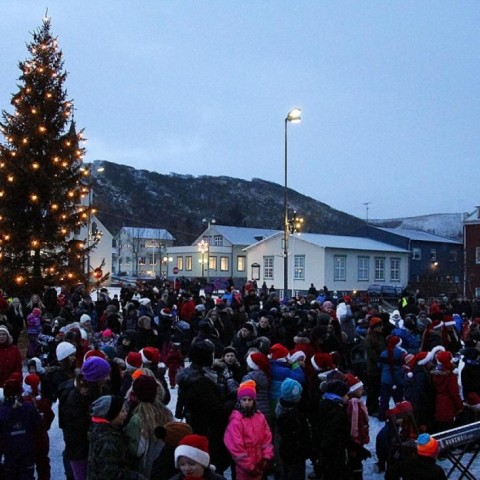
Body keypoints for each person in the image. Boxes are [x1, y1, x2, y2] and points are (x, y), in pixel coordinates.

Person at [58, 356, 111, 480]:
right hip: (80, 453)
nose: (108, 379)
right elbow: (79, 431)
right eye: (105, 376)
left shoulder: (91, 389)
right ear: (95, 378)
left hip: (86, 450)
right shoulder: (73, 400)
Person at [125, 374, 174, 478]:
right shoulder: (166, 413)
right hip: (165, 465)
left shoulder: (138, 418)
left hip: (146, 468)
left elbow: (137, 450)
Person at [224, 380, 274, 480]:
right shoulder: (236, 421)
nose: (247, 403)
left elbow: (267, 439)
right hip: (243, 470)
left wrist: (266, 458)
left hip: (260, 465)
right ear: (239, 401)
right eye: (244, 400)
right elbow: (236, 447)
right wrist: (249, 466)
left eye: (250, 400)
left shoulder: (260, 417)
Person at [87, 395, 146, 479]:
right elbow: (111, 474)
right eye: (122, 411)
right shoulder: (107, 440)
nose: (126, 413)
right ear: (112, 415)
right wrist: (138, 477)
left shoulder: (104, 429)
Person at [0, 377, 42, 479]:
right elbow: (38, 425)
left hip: (10, 454)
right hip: (27, 452)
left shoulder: (2, 411)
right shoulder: (28, 407)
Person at [275, 378, 312, 480]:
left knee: (285, 472)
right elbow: (301, 434)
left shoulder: (280, 408)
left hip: (285, 451)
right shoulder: (294, 415)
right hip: (296, 453)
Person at [344, 374, 371, 480]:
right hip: (355, 438)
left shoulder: (356, 402)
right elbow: (355, 424)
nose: (362, 389)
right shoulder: (354, 404)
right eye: (360, 388)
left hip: (358, 437)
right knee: (355, 462)